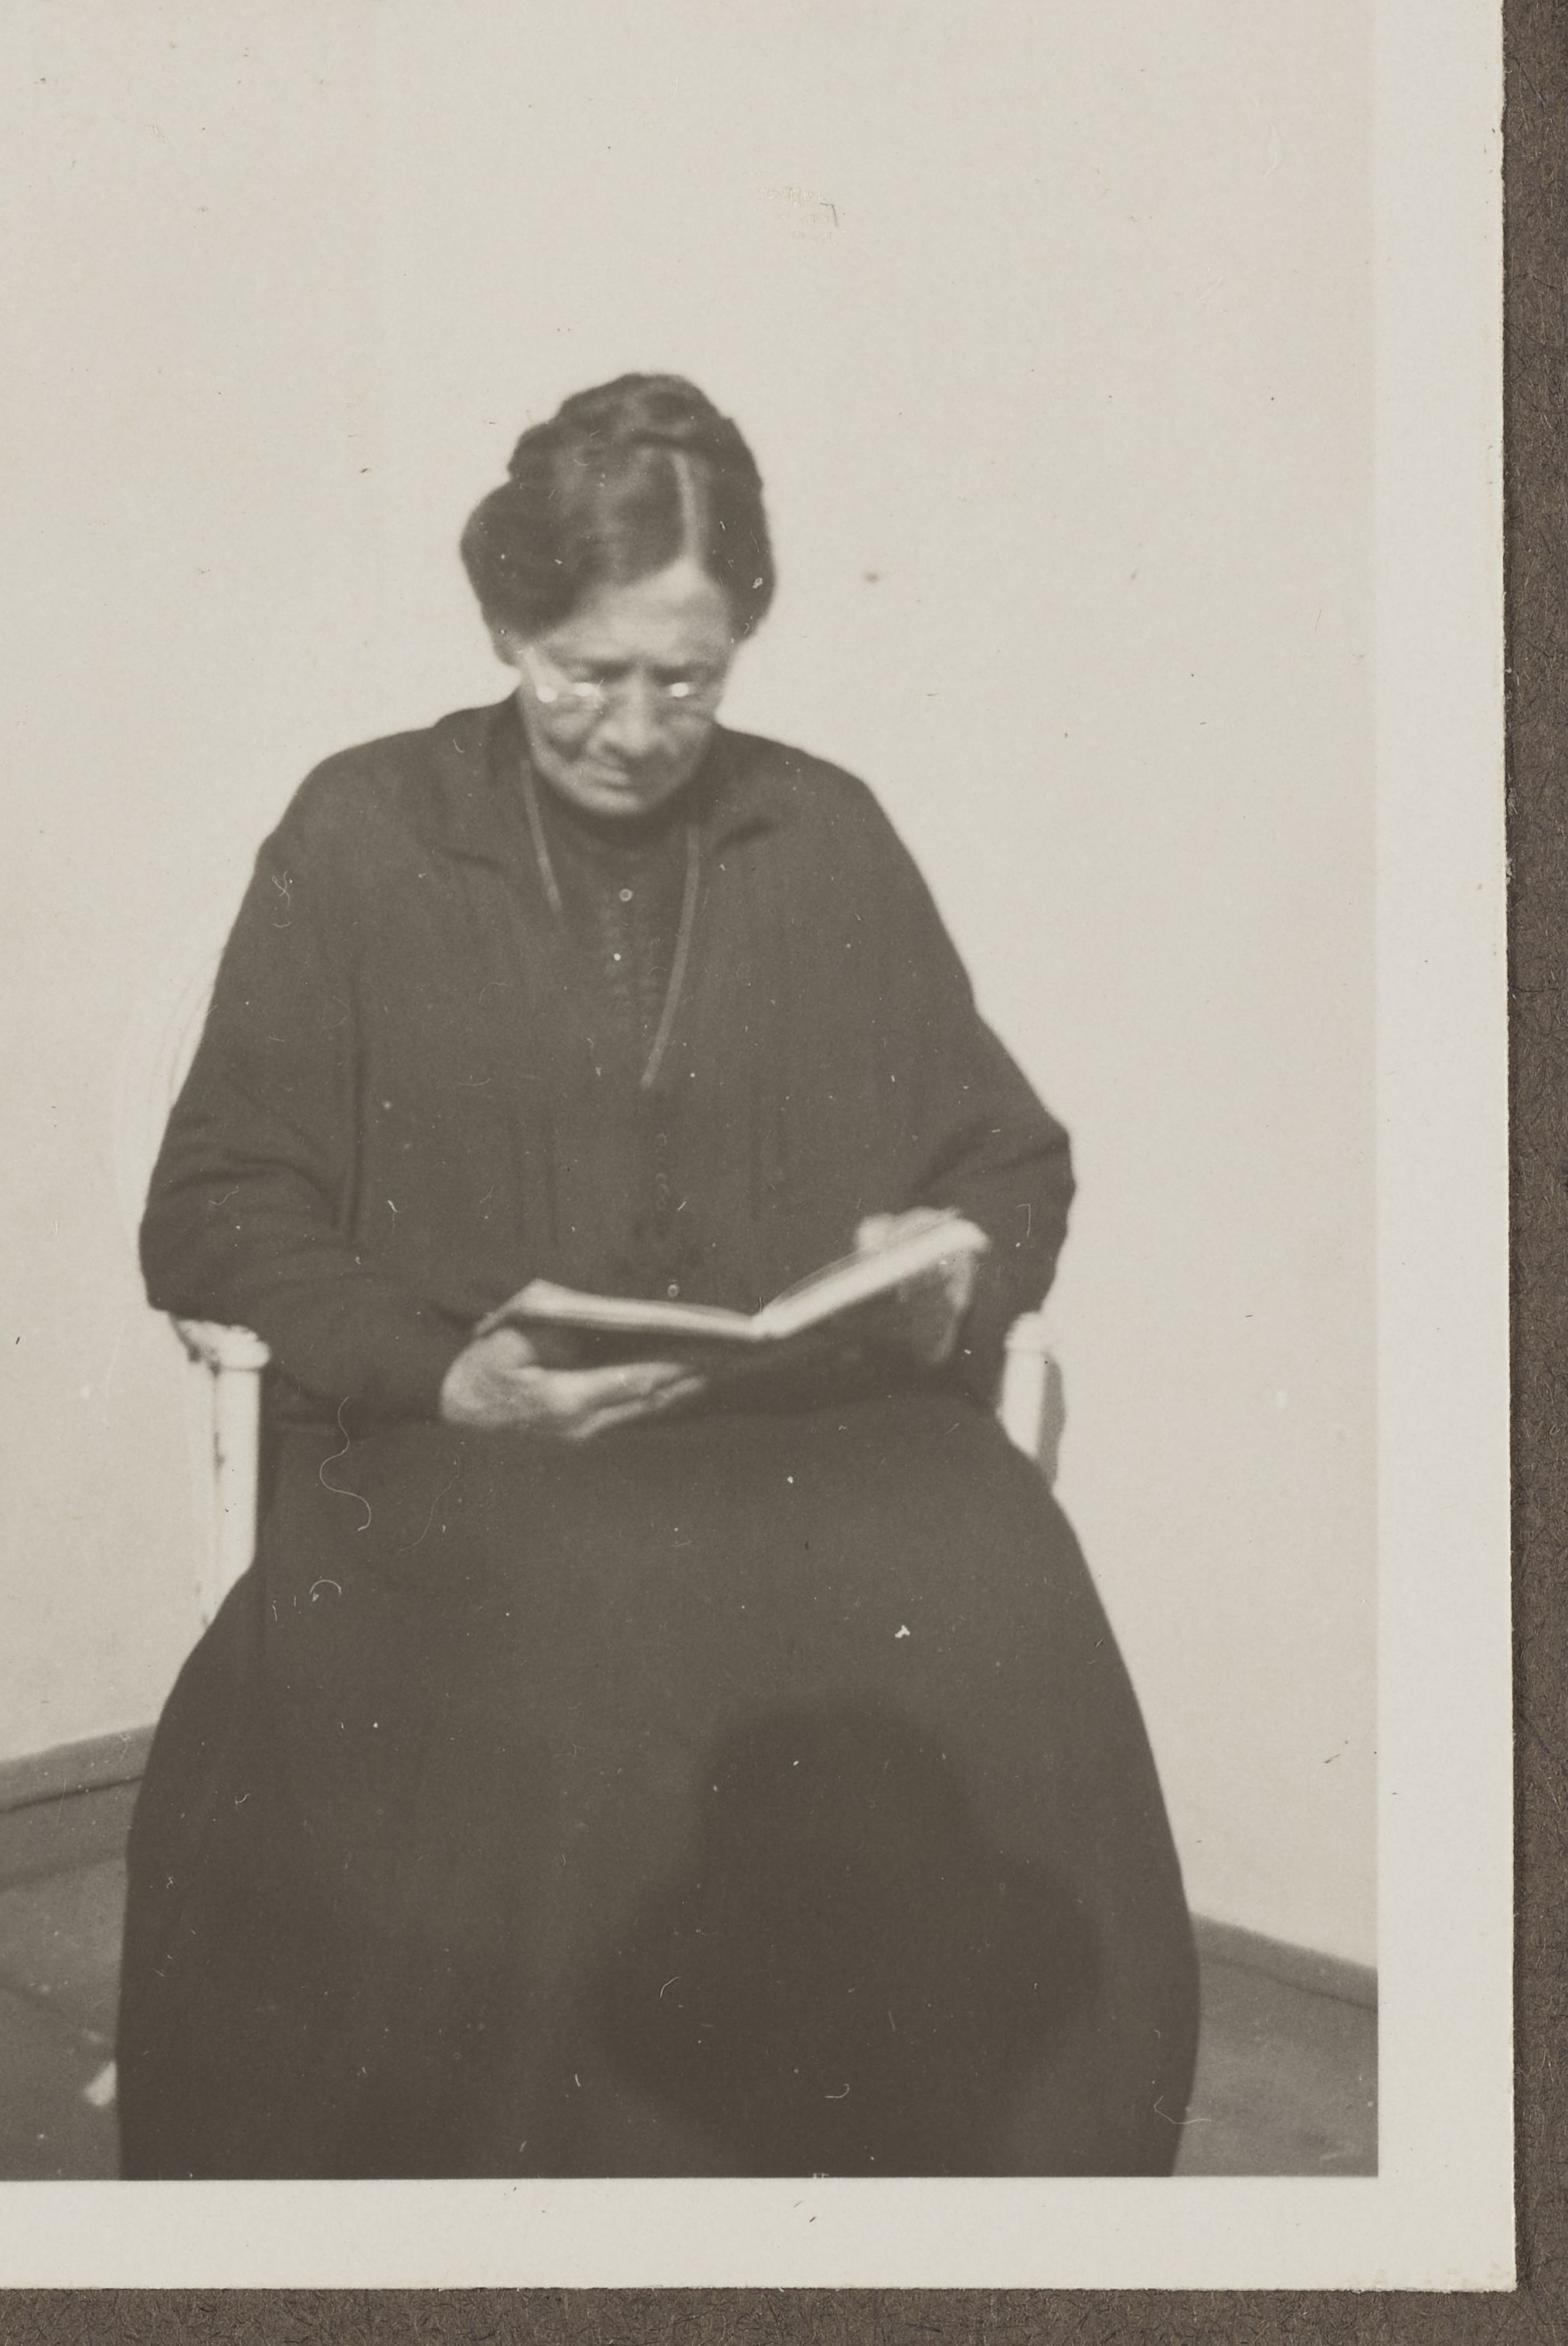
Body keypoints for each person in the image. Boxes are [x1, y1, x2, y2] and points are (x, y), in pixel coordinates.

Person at [116, 372, 1199, 2178]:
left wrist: (946, 1265)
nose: (632, 728)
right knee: (598, 1614)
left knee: (996, 1557)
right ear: (503, 623)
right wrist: (436, 1367)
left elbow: (1004, 1155)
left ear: (741, 640)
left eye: (684, 681)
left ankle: (979, 2177)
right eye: (582, 673)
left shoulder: (823, 832)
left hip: (793, 1432)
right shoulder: (364, 827)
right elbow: (218, 1201)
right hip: (462, 1444)